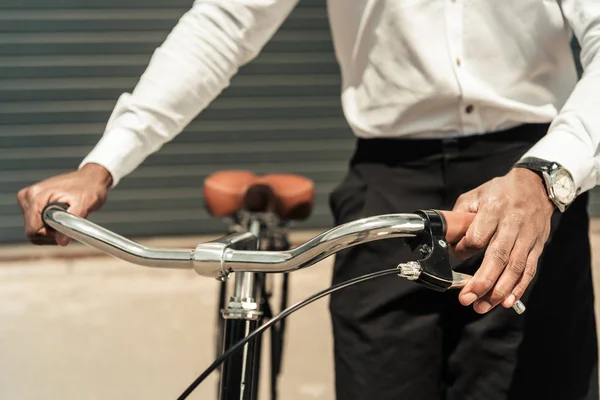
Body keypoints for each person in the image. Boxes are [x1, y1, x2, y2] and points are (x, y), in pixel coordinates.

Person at [16, 1, 600, 399]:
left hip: (531, 179)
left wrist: (548, 175)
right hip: (389, 178)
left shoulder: (539, 181)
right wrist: (104, 163)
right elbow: (225, 22)